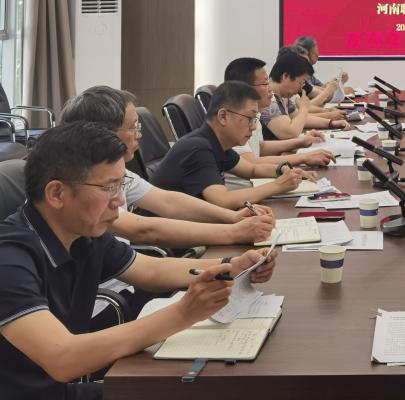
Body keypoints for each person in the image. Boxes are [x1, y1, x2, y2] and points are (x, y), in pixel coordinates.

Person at [0, 122, 278, 400]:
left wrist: (233, 266)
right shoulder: (9, 260)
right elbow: (63, 358)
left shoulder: (84, 233)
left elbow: (152, 270)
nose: (119, 200)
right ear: (56, 194)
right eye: (109, 187)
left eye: (121, 185)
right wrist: (183, 313)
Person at [60, 87, 275, 247]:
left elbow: (168, 201)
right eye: (133, 127)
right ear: (103, 134)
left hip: (130, 271)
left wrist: (232, 218)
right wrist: (233, 232)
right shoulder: (82, 187)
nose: (139, 134)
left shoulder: (119, 172)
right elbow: (144, 230)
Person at [151, 81, 316, 209]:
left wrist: (284, 170)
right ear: (223, 116)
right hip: (168, 235)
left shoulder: (216, 142)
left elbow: (251, 169)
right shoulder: (199, 148)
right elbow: (223, 200)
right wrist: (278, 185)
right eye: (250, 118)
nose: (253, 127)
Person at [224, 57, 333, 165]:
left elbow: (260, 147)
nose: (270, 88)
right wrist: (303, 157)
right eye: (265, 84)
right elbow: (251, 162)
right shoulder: (234, 119)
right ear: (245, 87)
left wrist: (301, 141)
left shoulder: (253, 114)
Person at [263, 51, 350, 139]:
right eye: (301, 82)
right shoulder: (268, 98)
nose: (301, 88)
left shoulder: (283, 96)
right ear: (286, 76)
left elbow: (298, 118)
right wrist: (304, 108)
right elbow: (290, 132)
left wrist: (330, 123)